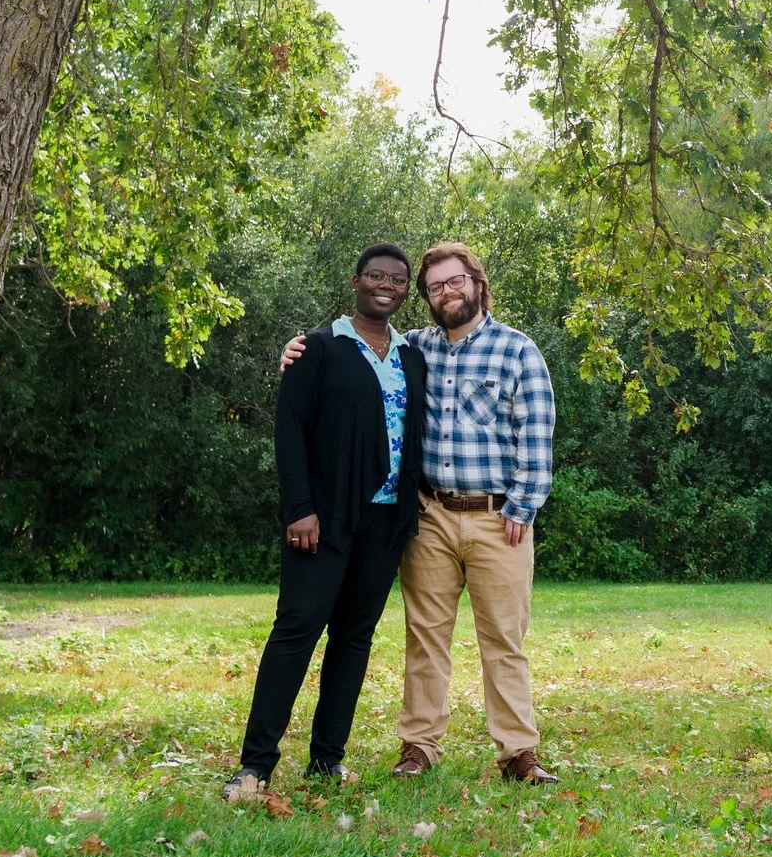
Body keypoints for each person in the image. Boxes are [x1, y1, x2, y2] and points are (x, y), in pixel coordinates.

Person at [283, 239, 557, 785]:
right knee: (425, 636)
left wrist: (522, 507)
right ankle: (419, 746)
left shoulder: (517, 350)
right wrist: (296, 354)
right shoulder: (416, 349)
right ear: (425, 298)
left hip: (498, 519)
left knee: (504, 640)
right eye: (435, 287)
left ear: (477, 283)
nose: (446, 292)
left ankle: (517, 754)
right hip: (428, 515)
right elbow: (358, 354)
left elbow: (537, 435)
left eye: (455, 281)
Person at [225, 243, 427, 803]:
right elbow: (289, 431)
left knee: (354, 639)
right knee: (296, 632)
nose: (386, 285)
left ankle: (326, 762)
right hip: (324, 518)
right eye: (375, 275)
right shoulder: (316, 348)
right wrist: (299, 507)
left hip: (386, 523)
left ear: (407, 291)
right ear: (356, 282)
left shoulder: (412, 355)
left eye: (398, 279)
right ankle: (254, 766)